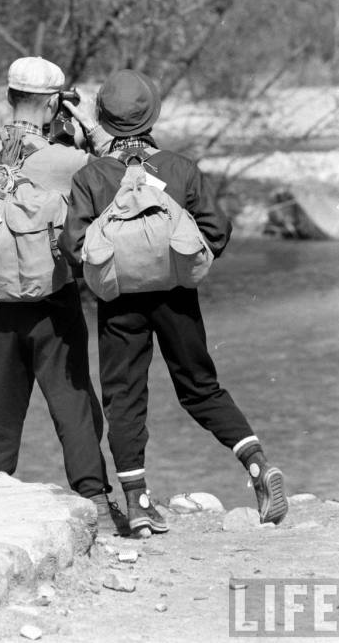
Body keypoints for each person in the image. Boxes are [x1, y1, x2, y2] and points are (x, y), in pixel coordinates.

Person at [58, 69, 289, 535]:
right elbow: (217, 232)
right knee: (201, 389)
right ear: (152, 116)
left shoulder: (93, 175)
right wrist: (179, 261)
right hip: (179, 300)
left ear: (102, 116)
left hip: (120, 303)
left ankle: (138, 505)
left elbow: (74, 245)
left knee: (125, 399)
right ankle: (259, 467)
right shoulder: (180, 168)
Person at [0, 56, 126, 533]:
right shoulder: (66, 160)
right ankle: (94, 499)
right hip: (51, 301)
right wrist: (89, 129)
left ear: (10, 96)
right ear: (55, 102)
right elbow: (119, 177)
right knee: (71, 398)